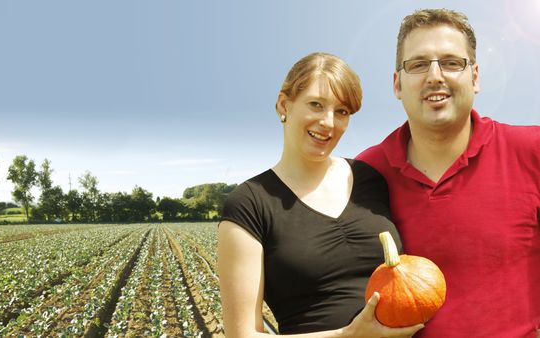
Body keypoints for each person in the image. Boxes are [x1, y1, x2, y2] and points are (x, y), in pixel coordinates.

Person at [357, 8, 540, 338]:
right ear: (397, 84)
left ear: (476, 76)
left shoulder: (533, 151)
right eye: (418, 65)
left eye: (452, 62)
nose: (434, 76)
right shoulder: (364, 174)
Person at [217, 52, 424, 337]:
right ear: (283, 105)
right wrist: (348, 336)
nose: (329, 122)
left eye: (342, 112)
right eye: (316, 105)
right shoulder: (250, 204)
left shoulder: (370, 179)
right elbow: (241, 335)